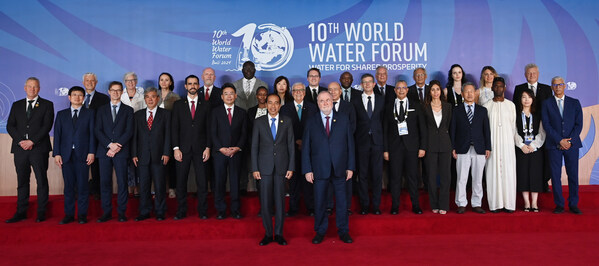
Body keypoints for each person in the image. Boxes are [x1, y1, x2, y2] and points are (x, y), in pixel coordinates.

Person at [303, 91, 355, 244]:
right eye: (321, 101)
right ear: (317, 103)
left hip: (340, 168)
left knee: (342, 202)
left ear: (332, 101)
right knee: (319, 202)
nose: (325, 103)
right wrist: (307, 169)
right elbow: (306, 147)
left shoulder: (344, 119)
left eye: (327, 100)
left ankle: (343, 231)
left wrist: (350, 166)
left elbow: (350, 145)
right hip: (319, 169)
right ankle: (320, 231)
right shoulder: (311, 121)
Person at [6, 77, 54, 223]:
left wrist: (32, 141)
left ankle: (41, 212)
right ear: (25, 87)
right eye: (30, 86)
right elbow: (10, 126)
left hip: (39, 148)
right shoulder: (16, 105)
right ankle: (21, 212)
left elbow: (47, 126)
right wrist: (21, 141)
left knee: (41, 180)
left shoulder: (47, 104)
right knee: (22, 181)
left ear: (39, 89)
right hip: (20, 149)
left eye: (35, 87)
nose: (32, 89)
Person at [252, 94, 294, 246]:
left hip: (282, 167)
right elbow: (254, 146)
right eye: (270, 103)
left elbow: (290, 146)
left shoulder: (287, 121)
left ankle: (279, 233)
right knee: (265, 202)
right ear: (266, 104)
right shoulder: (259, 122)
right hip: (264, 168)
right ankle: (268, 234)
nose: (273, 106)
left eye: (276, 103)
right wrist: (255, 168)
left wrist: (291, 167)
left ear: (280, 105)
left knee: (280, 202)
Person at [53, 86, 95, 224]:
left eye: (80, 95)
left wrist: (91, 152)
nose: (77, 97)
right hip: (66, 155)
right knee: (69, 186)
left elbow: (92, 135)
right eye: (74, 95)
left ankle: (82, 215)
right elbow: (57, 135)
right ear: (69, 97)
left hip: (83, 154)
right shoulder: (61, 114)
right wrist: (57, 153)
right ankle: (69, 215)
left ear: (84, 98)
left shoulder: (90, 114)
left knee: (83, 186)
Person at [171, 75, 212, 220]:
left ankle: (203, 211)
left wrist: (208, 147)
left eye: (195, 83)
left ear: (199, 85)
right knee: (181, 182)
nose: (193, 86)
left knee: (202, 182)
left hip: (201, 150)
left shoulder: (206, 105)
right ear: (185, 86)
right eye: (190, 84)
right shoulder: (178, 105)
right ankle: (181, 211)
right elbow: (174, 128)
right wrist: (176, 148)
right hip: (182, 149)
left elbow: (209, 128)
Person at [384, 80, 427, 215]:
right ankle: (395, 206)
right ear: (395, 90)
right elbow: (385, 130)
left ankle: (415, 205)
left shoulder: (416, 105)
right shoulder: (388, 106)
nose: (401, 90)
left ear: (407, 90)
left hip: (412, 147)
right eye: (398, 88)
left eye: (404, 88)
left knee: (413, 177)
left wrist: (422, 147)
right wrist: (385, 150)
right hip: (394, 148)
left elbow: (423, 129)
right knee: (395, 178)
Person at [542, 76, 583, 215]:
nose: (558, 87)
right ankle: (559, 204)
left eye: (560, 84)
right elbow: (546, 124)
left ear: (564, 86)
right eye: (555, 84)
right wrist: (560, 140)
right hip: (554, 144)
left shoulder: (574, 103)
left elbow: (579, 125)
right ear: (552, 87)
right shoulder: (546, 104)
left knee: (573, 175)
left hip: (572, 145)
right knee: (555, 175)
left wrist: (569, 141)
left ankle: (573, 204)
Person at [95, 81, 134, 222]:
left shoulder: (128, 110)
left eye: (118, 90)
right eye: (113, 90)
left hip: (121, 152)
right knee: (105, 182)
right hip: (104, 151)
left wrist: (117, 146)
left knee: (122, 182)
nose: (115, 93)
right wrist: (109, 145)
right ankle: (106, 212)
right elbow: (97, 130)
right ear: (108, 92)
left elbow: (129, 131)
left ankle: (122, 212)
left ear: (122, 92)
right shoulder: (101, 110)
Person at [450, 82, 491, 214]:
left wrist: (488, 147)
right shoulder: (456, 110)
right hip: (462, 148)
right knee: (461, 178)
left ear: (475, 93)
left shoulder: (482, 110)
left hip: (479, 148)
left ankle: (476, 203)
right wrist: (453, 147)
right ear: (462, 94)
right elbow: (453, 130)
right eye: (466, 91)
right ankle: (461, 203)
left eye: (471, 91)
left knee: (478, 178)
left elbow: (486, 131)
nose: (469, 94)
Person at [131, 87, 171, 221]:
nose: (150, 99)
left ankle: (160, 211)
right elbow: (135, 136)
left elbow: (168, 136)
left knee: (160, 186)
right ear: (145, 99)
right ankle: (144, 211)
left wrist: (166, 152)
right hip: (142, 156)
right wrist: (134, 153)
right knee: (143, 186)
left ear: (157, 99)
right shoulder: (138, 115)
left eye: (153, 96)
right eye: (148, 97)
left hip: (159, 155)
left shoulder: (165, 114)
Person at [513, 63, 553, 192]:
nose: (531, 75)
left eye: (534, 73)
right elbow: (515, 109)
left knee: (542, 160)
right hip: (524, 130)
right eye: (529, 73)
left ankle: (543, 183)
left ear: (538, 74)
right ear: (525, 75)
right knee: (524, 163)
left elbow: (550, 109)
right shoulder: (519, 88)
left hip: (542, 128)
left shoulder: (546, 89)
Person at [280, 82, 318, 217]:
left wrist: (305, 142)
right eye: (295, 90)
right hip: (292, 149)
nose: (298, 92)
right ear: (291, 92)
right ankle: (293, 208)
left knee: (309, 179)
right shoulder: (285, 108)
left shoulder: (313, 108)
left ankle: (311, 207)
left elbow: (316, 128)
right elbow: (283, 130)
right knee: (294, 179)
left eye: (301, 90)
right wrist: (296, 141)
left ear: (305, 92)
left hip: (310, 149)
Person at [211, 83, 247, 220]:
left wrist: (237, 147)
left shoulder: (241, 112)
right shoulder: (215, 112)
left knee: (235, 182)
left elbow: (244, 134)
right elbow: (213, 132)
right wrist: (221, 148)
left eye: (231, 93)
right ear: (222, 96)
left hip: (236, 153)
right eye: (226, 93)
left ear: (236, 96)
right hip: (220, 153)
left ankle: (235, 209)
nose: (229, 96)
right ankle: (221, 210)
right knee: (219, 182)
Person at [351, 73, 384, 215]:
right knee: (362, 175)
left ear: (374, 84)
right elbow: (353, 123)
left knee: (377, 175)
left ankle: (376, 206)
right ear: (361, 85)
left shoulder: (382, 100)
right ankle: (364, 205)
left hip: (378, 142)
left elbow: (385, 123)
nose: (367, 84)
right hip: (362, 142)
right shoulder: (355, 100)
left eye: (370, 82)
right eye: (364, 82)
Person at [484, 77, 517, 213]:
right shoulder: (486, 106)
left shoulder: (511, 105)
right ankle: (495, 204)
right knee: (492, 173)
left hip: (508, 145)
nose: (498, 89)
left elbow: (514, 127)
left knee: (509, 173)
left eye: (501, 86)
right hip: (492, 146)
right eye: (496, 86)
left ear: (504, 88)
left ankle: (509, 204)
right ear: (492, 88)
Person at [423, 80, 452, 215]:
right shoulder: (424, 107)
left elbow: (450, 127)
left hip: (446, 145)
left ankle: (444, 205)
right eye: (433, 90)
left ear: (441, 91)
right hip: (430, 145)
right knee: (431, 177)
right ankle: (434, 204)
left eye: (437, 89)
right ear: (429, 92)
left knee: (446, 177)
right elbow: (422, 129)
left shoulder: (448, 107)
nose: (435, 92)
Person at [328, 82, 357, 215]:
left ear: (341, 91)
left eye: (335, 89)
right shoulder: (323, 106)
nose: (333, 92)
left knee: (346, 179)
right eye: (330, 90)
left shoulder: (349, 106)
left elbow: (352, 127)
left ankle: (346, 207)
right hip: (327, 151)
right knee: (328, 179)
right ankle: (328, 206)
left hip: (344, 149)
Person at [515, 89, 546, 212]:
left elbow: (542, 132)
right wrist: (521, 145)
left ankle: (534, 202)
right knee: (523, 174)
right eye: (524, 97)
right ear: (520, 100)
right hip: (521, 149)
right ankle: (526, 203)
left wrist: (533, 145)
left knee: (535, 175)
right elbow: (514, 132)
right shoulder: (516, 114)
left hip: (535, 150)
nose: (526, 100)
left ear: (533, 99)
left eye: (529, 97)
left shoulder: (538, 115)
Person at [82, 73, 110, 201]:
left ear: (96, 82)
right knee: (80, 166)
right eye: (87, 80)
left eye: (92, 80)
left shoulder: (104, 99)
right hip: (81, 139)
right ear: (83, 82)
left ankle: (97, 192)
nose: (89, 83)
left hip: (98, 139)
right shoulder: (77, 96)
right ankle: (81, 190)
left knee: (97, 167)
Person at [121, 72, 146, 197]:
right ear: (124, 82)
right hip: (123, 132)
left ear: (136, 81)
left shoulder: (142, 96)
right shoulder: (120, 95)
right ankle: (129, 186)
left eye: (133, 80)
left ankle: (137, 187)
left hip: (139, 131)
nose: (130, 82)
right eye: (128, 80)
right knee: (126, 162)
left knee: (137, 160)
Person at [246, 86, 269, 215]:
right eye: (260, 94)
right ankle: (263, 208)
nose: (262, 97)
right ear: (256, 96)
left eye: (264, 94)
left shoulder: (272, 109)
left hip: (270, 151)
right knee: (260, 181)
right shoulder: (250, 111)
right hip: (256, 151)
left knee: (271, 181)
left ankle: (271, 207)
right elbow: (248, 131)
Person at [157, 72, 180, 199]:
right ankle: (158, 190)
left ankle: (172, 188)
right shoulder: (154, 95)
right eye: (162, 80)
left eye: (167, 80)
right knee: (156, 162)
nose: (164, 82)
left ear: (171, 82)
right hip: (156, 134)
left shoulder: (175, 97)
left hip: (170, 133)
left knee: (171, 163)